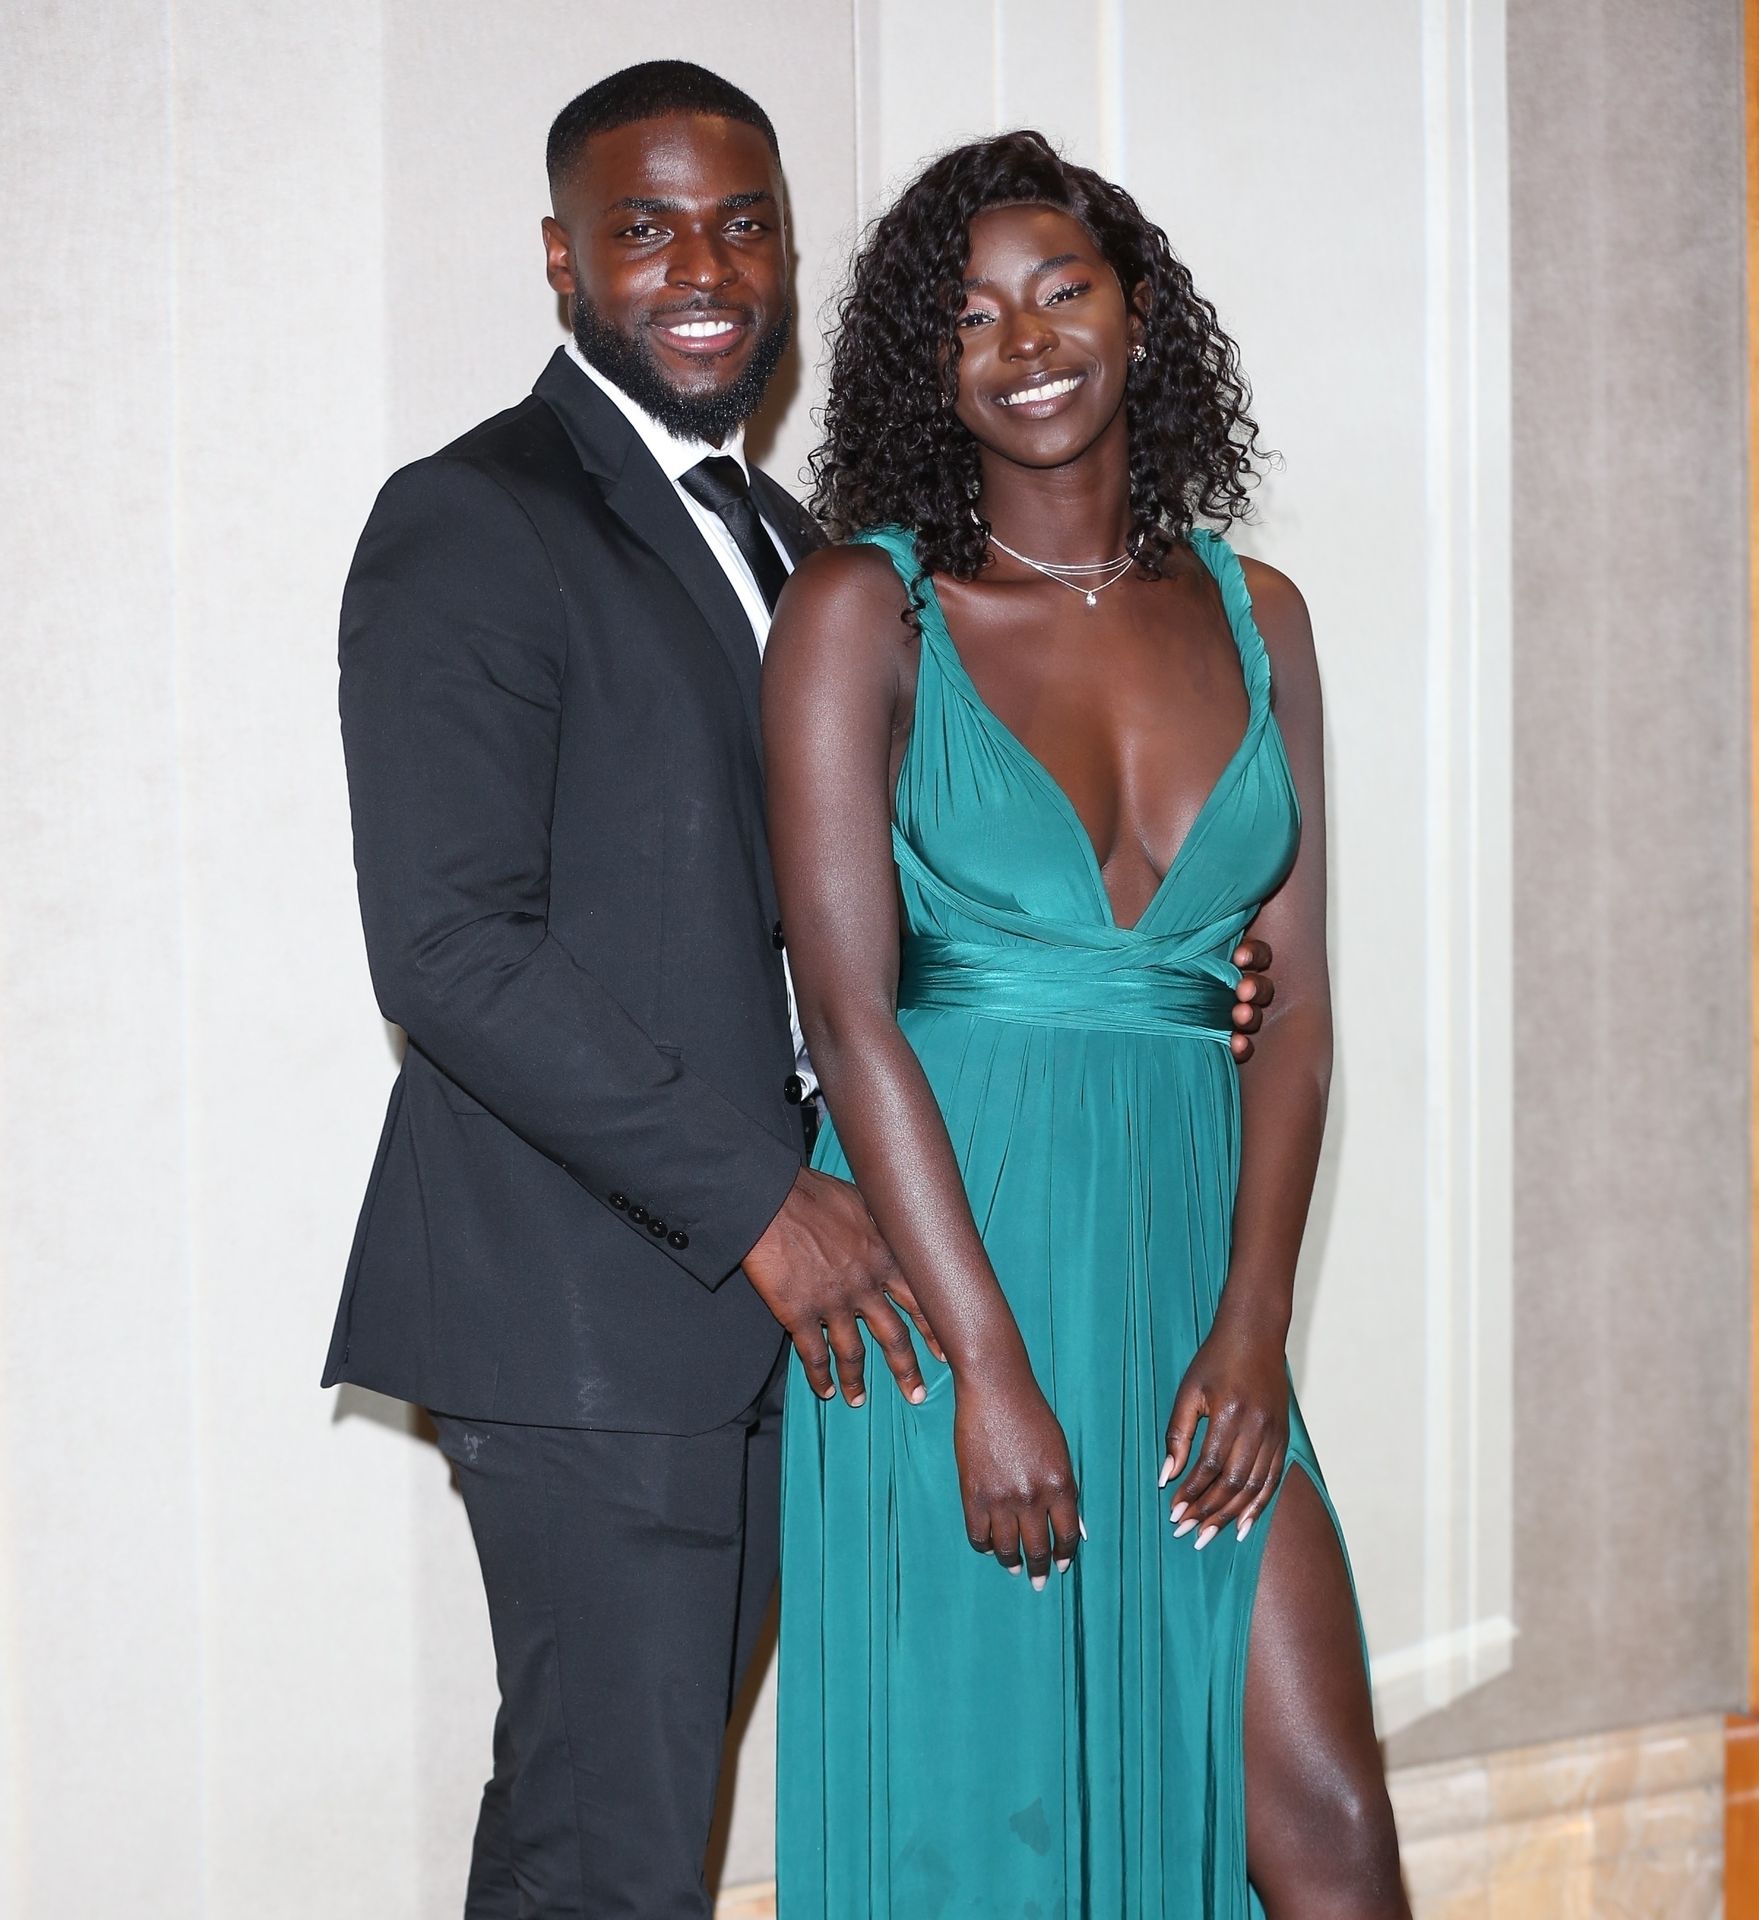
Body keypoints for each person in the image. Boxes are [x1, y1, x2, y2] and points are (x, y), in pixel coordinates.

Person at [321, 60, 1278, 1919]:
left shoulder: (796, 543)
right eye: (647, 228)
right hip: (597, 1317)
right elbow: (445, 947)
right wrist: (764, 1200)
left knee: (612, 1826)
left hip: (815, 1325)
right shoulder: (474, 517)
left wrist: (1159, 971)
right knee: (615, 1850)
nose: (704, 268)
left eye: (743, 225)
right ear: (561, 260)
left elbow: (867, 901)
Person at [764, 131, 1408, 1917]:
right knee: (996, 1845)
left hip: (1194, 1300)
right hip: (954, 1293)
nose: (1026, 340)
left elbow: (1299, 1009)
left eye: (1062, 290)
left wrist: (1257, 1326)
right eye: (971, 317)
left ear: (1139, 312)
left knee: (1334, 1838)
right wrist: (988, 1370)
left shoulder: (1261, 618)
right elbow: (849, 1015)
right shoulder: (863, 611)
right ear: (928, 366)